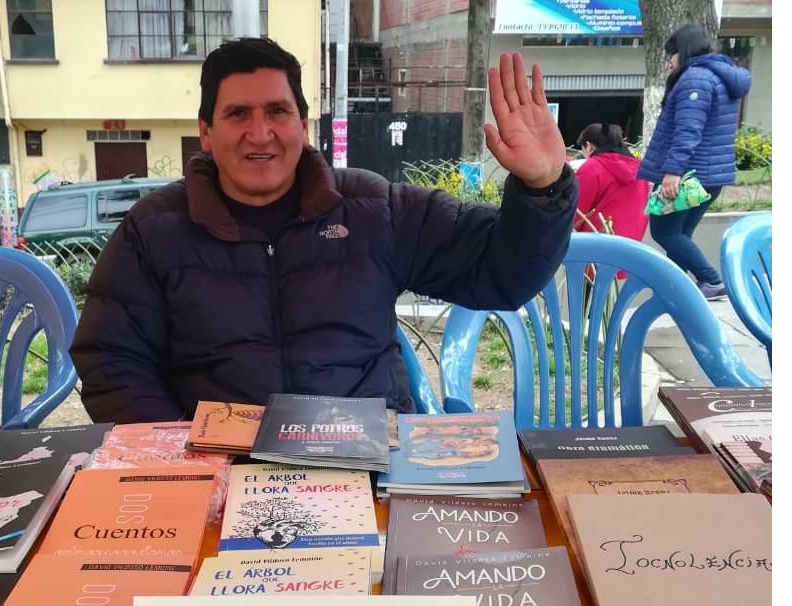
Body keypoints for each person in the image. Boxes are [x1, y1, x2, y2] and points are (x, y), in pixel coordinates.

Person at [70, 38, 576, 423]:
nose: (260, 133)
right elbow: (110, 359)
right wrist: (182, 456)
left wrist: (543, 185)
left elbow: (500, 272)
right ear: (206, 131)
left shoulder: (374, 208)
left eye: (277, 111)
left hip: (370, 470)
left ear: (304, 124)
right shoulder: (154, 230)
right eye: (238, 114)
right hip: (221, 480)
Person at [638, 24, 752, 300]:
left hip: (689, 176)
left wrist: (673, 172)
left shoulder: (695, 79)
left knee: (664, 232)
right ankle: (676, 290)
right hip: (710, 176)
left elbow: (688, 131)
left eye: (671, 54)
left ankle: (711, 280)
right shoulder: (718, 76)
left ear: (685, 50)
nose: (669, 61)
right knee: (679, 234)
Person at [574, 122, 649, 241]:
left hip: (594, 242)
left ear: (589, 146)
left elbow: (576, 214)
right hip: (632, 244)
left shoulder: (592, 168)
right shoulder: (641, 170)